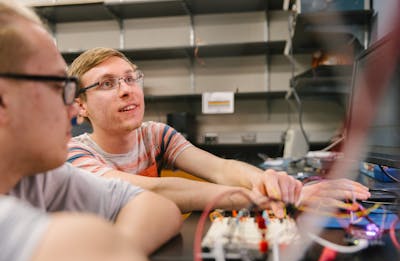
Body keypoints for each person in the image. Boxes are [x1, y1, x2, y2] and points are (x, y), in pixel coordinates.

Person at [67, 47, 371, 214]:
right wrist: (257, 199)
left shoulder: (155, 135)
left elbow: (221, 169)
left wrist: (271, 183)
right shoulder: (74, 155)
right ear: (80, 106)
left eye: (131, 78)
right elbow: (153, 191)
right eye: (107, 83)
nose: (126, 90)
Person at [0, 1, 182, 261]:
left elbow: (158, 207)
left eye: (131, 79)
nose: (73, 109)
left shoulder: (36, 176)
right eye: (57, 86)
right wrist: (105, 250)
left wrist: (115, 249)